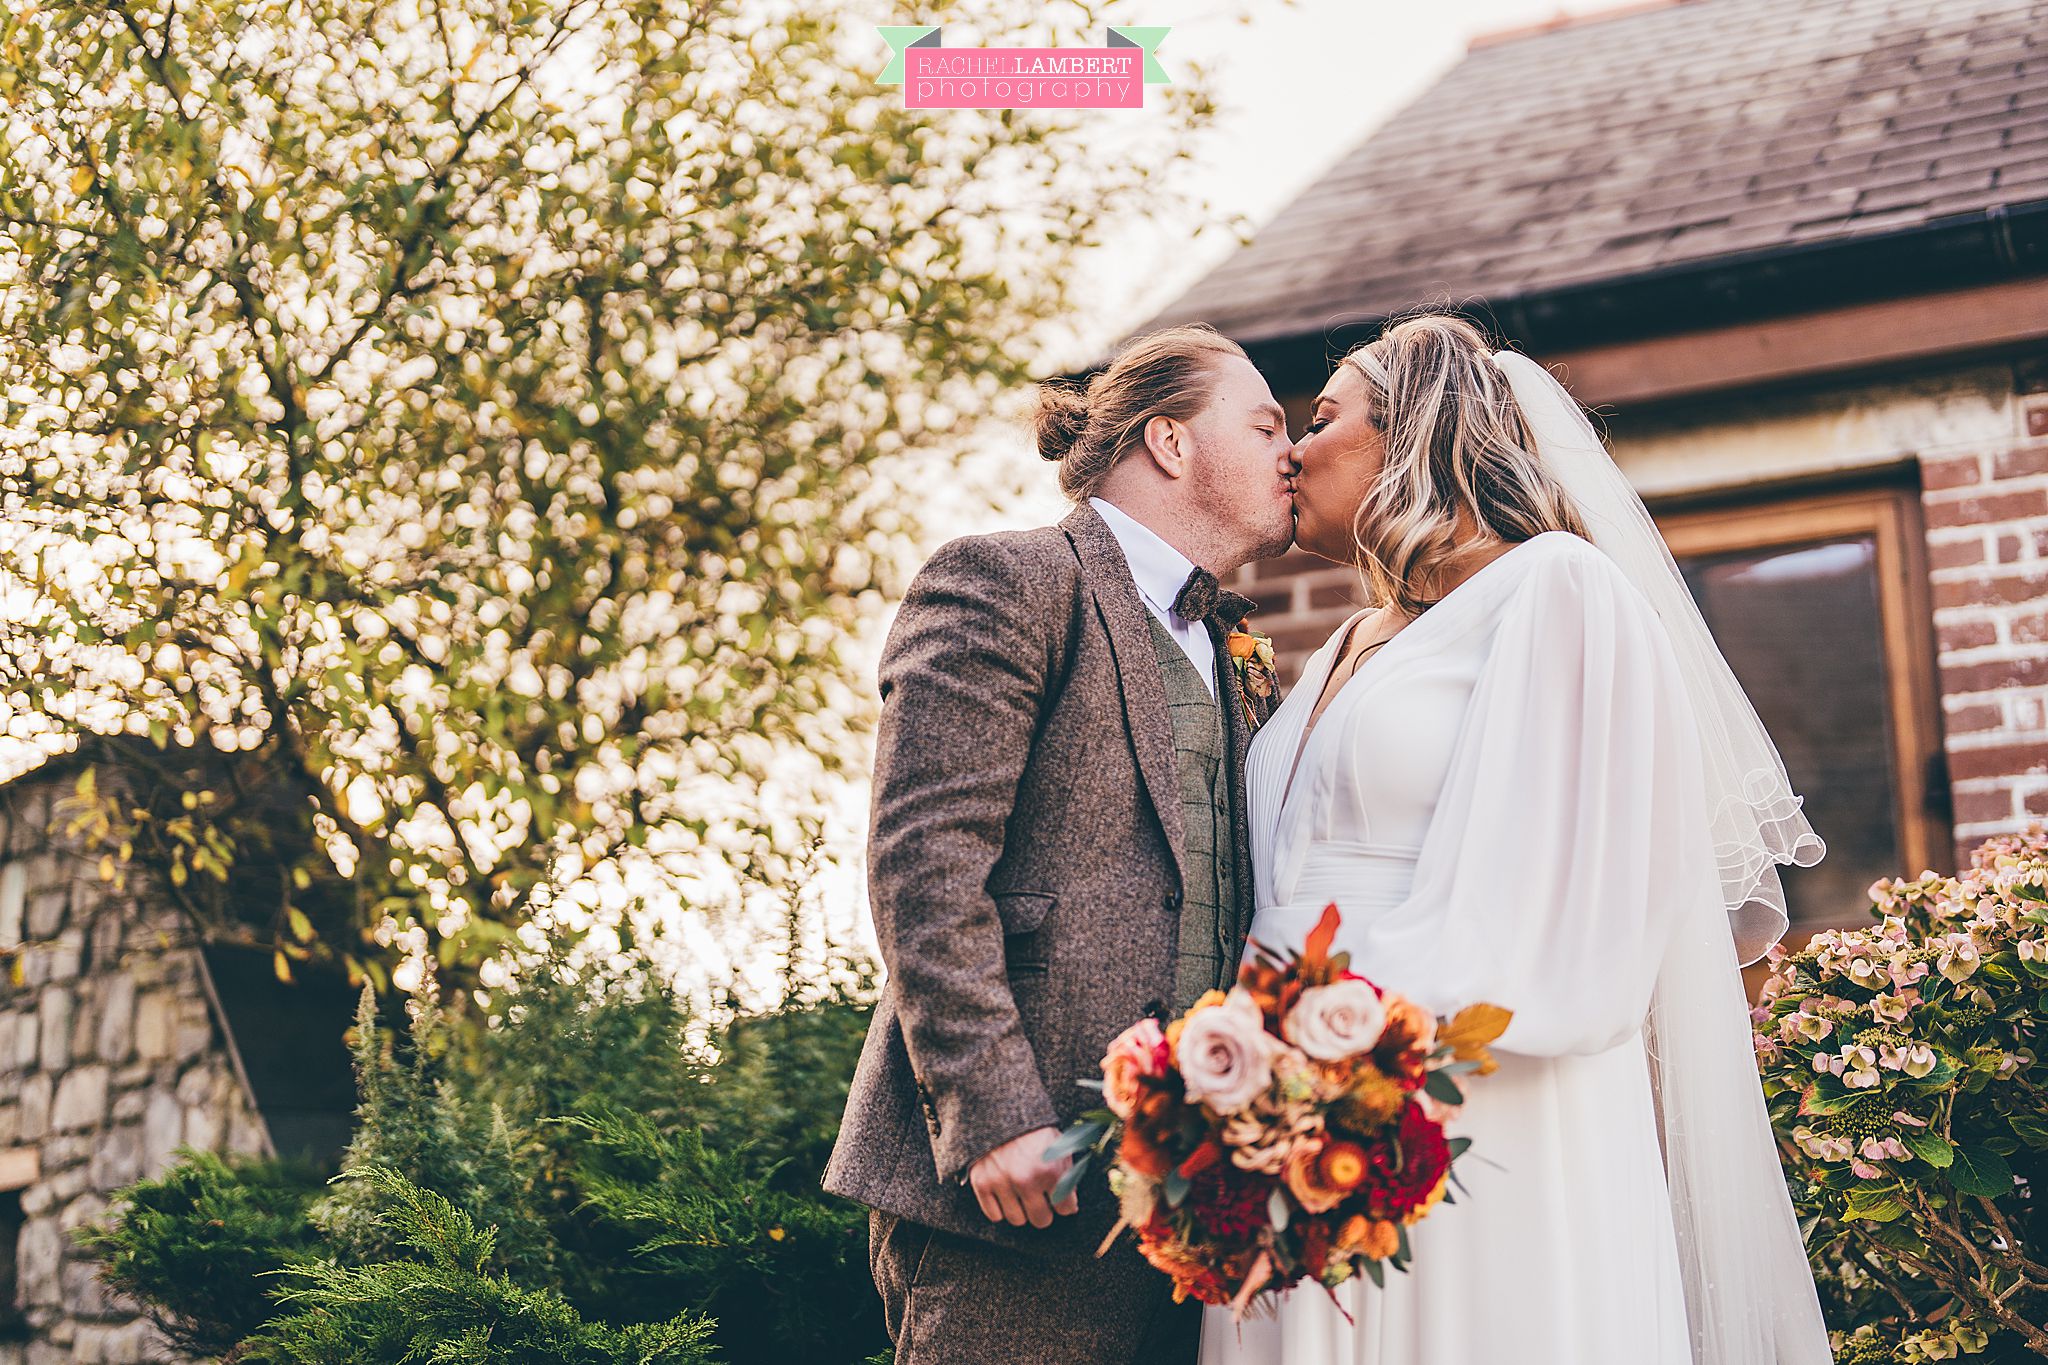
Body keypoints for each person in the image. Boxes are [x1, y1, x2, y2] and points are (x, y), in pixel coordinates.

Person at [1200, 314, 1834, 1365]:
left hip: (1469, 1098)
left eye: (1317, 420)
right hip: (1277, 1105)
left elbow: (1565, 901)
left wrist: (1324, 1037)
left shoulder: (1559, 589)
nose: (1291, 453)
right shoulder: (1347, 641)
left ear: (1414, 435)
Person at [824, 323, 1298, 1363]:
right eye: (1263, 424)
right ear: (1169, 443)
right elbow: (925, 862)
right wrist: (992, 1115)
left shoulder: (1230, 643)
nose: (1290, 452)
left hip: (1185, 1200)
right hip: (1017, 1194)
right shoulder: (1005, 581)